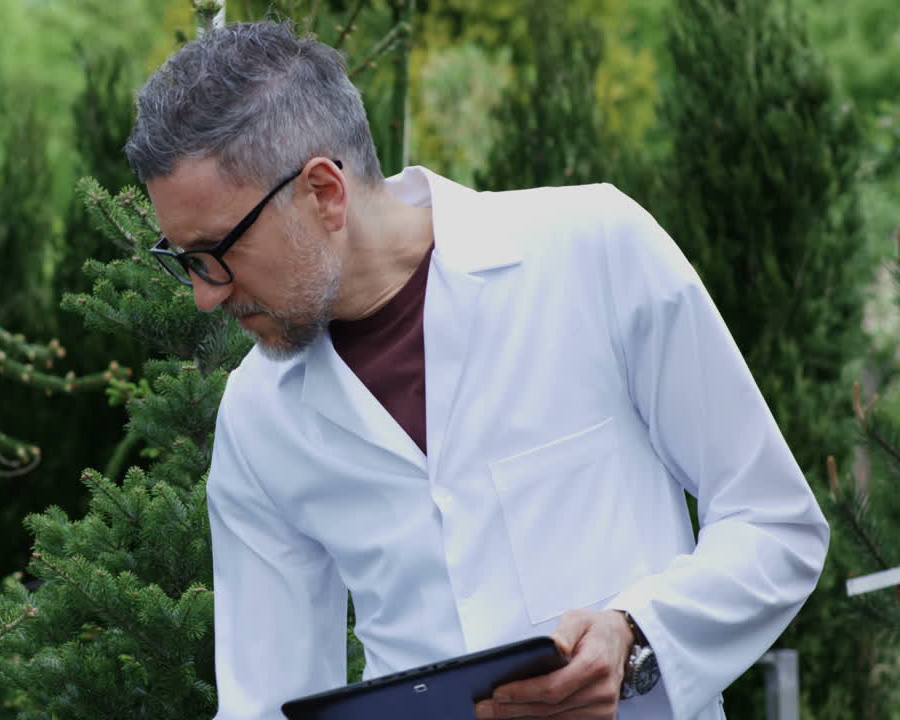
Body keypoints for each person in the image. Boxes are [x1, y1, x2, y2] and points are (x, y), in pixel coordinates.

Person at [123, 19, 829, 720]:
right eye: (184, 260)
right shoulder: (258, 415)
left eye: (216, 253)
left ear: (324, 192)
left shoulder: (593, 251)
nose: (204, 295)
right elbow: (263, 706)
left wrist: (637, 638)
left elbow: (774, 523)